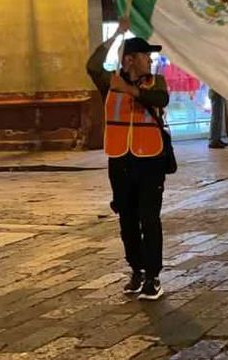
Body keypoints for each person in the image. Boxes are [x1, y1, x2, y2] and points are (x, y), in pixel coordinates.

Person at [86, 20, 169, 300]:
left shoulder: (156, 81)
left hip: (151, 161)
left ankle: (153, 276)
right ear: (130, 59)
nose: (150, 60)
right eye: (146, 56)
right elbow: (93, 65)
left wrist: (130, 89)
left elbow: (161, 99)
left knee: (149, 217)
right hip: (120, 160)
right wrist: (117, 34)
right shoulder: (108, 82)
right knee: (127, 219)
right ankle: (137, 269)